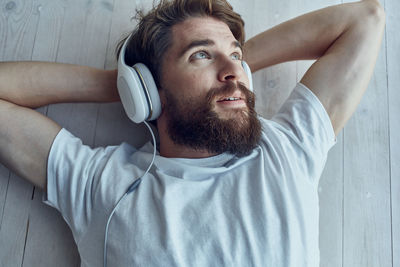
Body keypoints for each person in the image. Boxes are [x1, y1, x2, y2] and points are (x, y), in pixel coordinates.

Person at [0, 0, 385, 266]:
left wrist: (229, 60)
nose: (235, 71)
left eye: (235, 55)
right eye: (201, 55)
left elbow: (366, 18)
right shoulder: (103, 186)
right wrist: (121, 85)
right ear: (149, 90)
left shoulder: (287, 149)